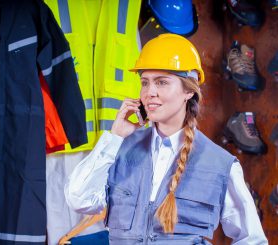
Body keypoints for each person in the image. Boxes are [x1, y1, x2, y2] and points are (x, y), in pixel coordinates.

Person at [64, 34, 268, 244]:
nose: (149, 92)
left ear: (189, 91)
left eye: (161, 82)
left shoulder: (220, 165)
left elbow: (252, 240)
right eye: (145, 83)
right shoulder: (119, 149)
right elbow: (79, 200)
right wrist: (115, 138)